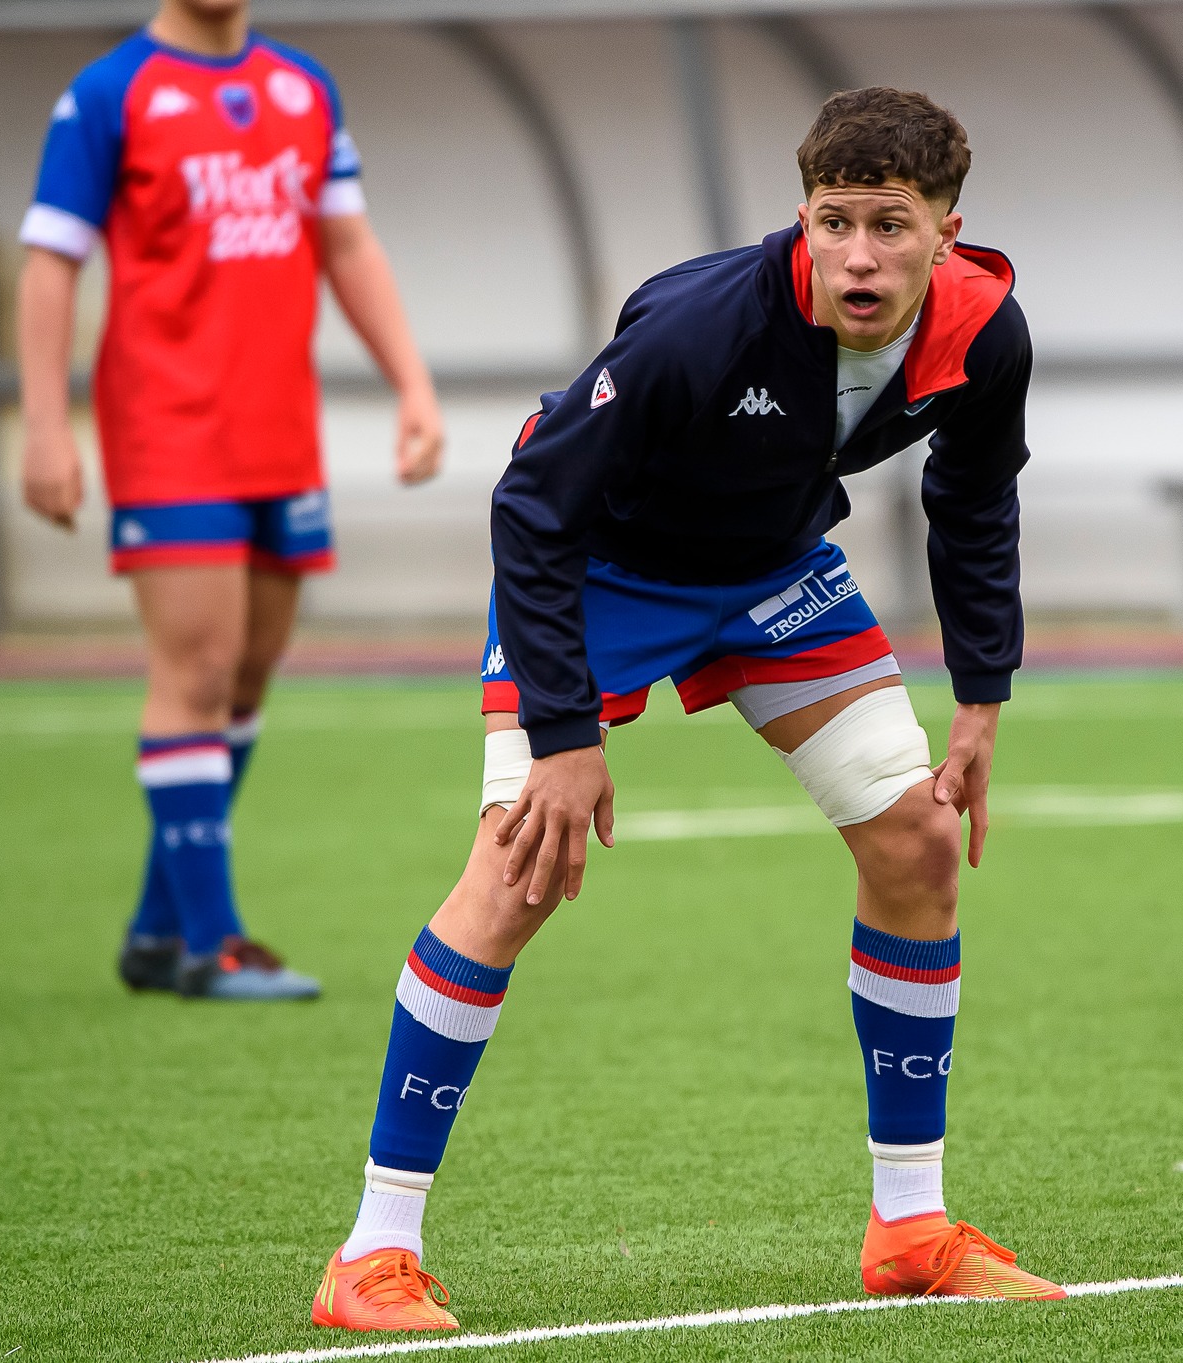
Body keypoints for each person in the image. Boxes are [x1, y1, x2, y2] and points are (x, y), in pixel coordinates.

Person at [308, 87, 1062, 1332]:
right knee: (517, 876)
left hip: (770, 573)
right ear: (800, 219)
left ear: (946, 227)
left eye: (890, 225)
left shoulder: (987, 332)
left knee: (918, 842)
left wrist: (981, 696)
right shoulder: (701, 327)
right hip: (596, 572)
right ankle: (371, 1256)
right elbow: (533, 508)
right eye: (834, 223)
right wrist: (564, 738)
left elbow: (973, 502)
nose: (859, 255)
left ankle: (910, 1228)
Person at [17, 0, 443, 999]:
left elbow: (347, 246)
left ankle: (157, 930)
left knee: (245, 678)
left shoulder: (304, 88)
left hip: (278, 432)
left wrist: (413, 383)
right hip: (169, 432)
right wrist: (45, 426)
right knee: (199, 666)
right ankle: (210, 945)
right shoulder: (109, 93)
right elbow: (50, 263)